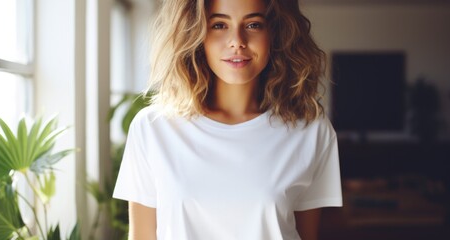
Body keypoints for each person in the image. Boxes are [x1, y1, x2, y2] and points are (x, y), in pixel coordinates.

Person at [113, 0, 342, 239]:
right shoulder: (152, 127)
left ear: (276, 33)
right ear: (194, 33)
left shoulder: (310, 129)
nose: (237, 41)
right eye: (219, 25)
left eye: (253, 24)